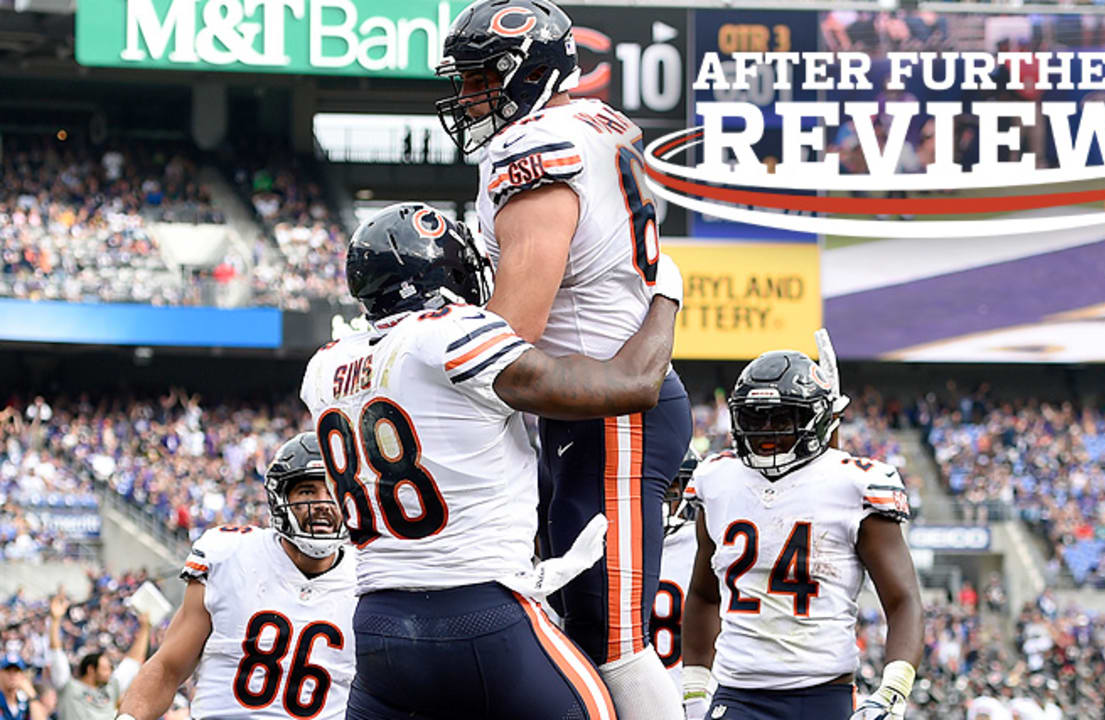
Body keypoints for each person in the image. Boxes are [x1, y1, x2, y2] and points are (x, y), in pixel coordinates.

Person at [300, 202, 682, 720]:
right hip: (483, 616)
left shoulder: (325, 366)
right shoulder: (448, 334)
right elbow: (633, 386)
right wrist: (666, 297)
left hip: (380, 630)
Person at [436, 3, 693, 717]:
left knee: (612, 642)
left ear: (531, 74)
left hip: (601, 404)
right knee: (576, 634)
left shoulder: (534, 150)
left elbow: (511, 330)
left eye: (482, 79)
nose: (467, 97)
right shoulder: (593, 125)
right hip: (585, 401)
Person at [682, 351, 924, 720]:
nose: (767, 431)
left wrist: (892, 691)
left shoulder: (854, 485)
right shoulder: (717, 480)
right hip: (738, 692)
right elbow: (702, 595)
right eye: (755, 418)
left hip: (822, 694)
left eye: (782, 417)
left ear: (817, 419)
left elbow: (904, 601)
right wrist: (696, 686)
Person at [115, 432, 355, 720]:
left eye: (332, 491)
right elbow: (168, 668)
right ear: (280, 499)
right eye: (306, 492)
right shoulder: (230, 555)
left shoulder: (369, 576)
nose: (322, 504)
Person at [48, 591, 149, 720]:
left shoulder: (110, 689)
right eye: (105, 669)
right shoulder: (68, 688)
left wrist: (145, 627)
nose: (109, 673)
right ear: (91, 669)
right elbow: (57, 654)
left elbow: (132, 662)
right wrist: (55, 620)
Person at [652, 450, 702, 695]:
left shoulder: (702, 544)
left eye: (670, 489)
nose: (659, 500)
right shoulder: (702, 544)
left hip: (689, 694)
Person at [1, 654, 48, 720]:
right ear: (1, 673)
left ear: (22, 675)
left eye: (16, 671)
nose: (12, 675)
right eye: (8, 671)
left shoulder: (24, 700)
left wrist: (31, 695)